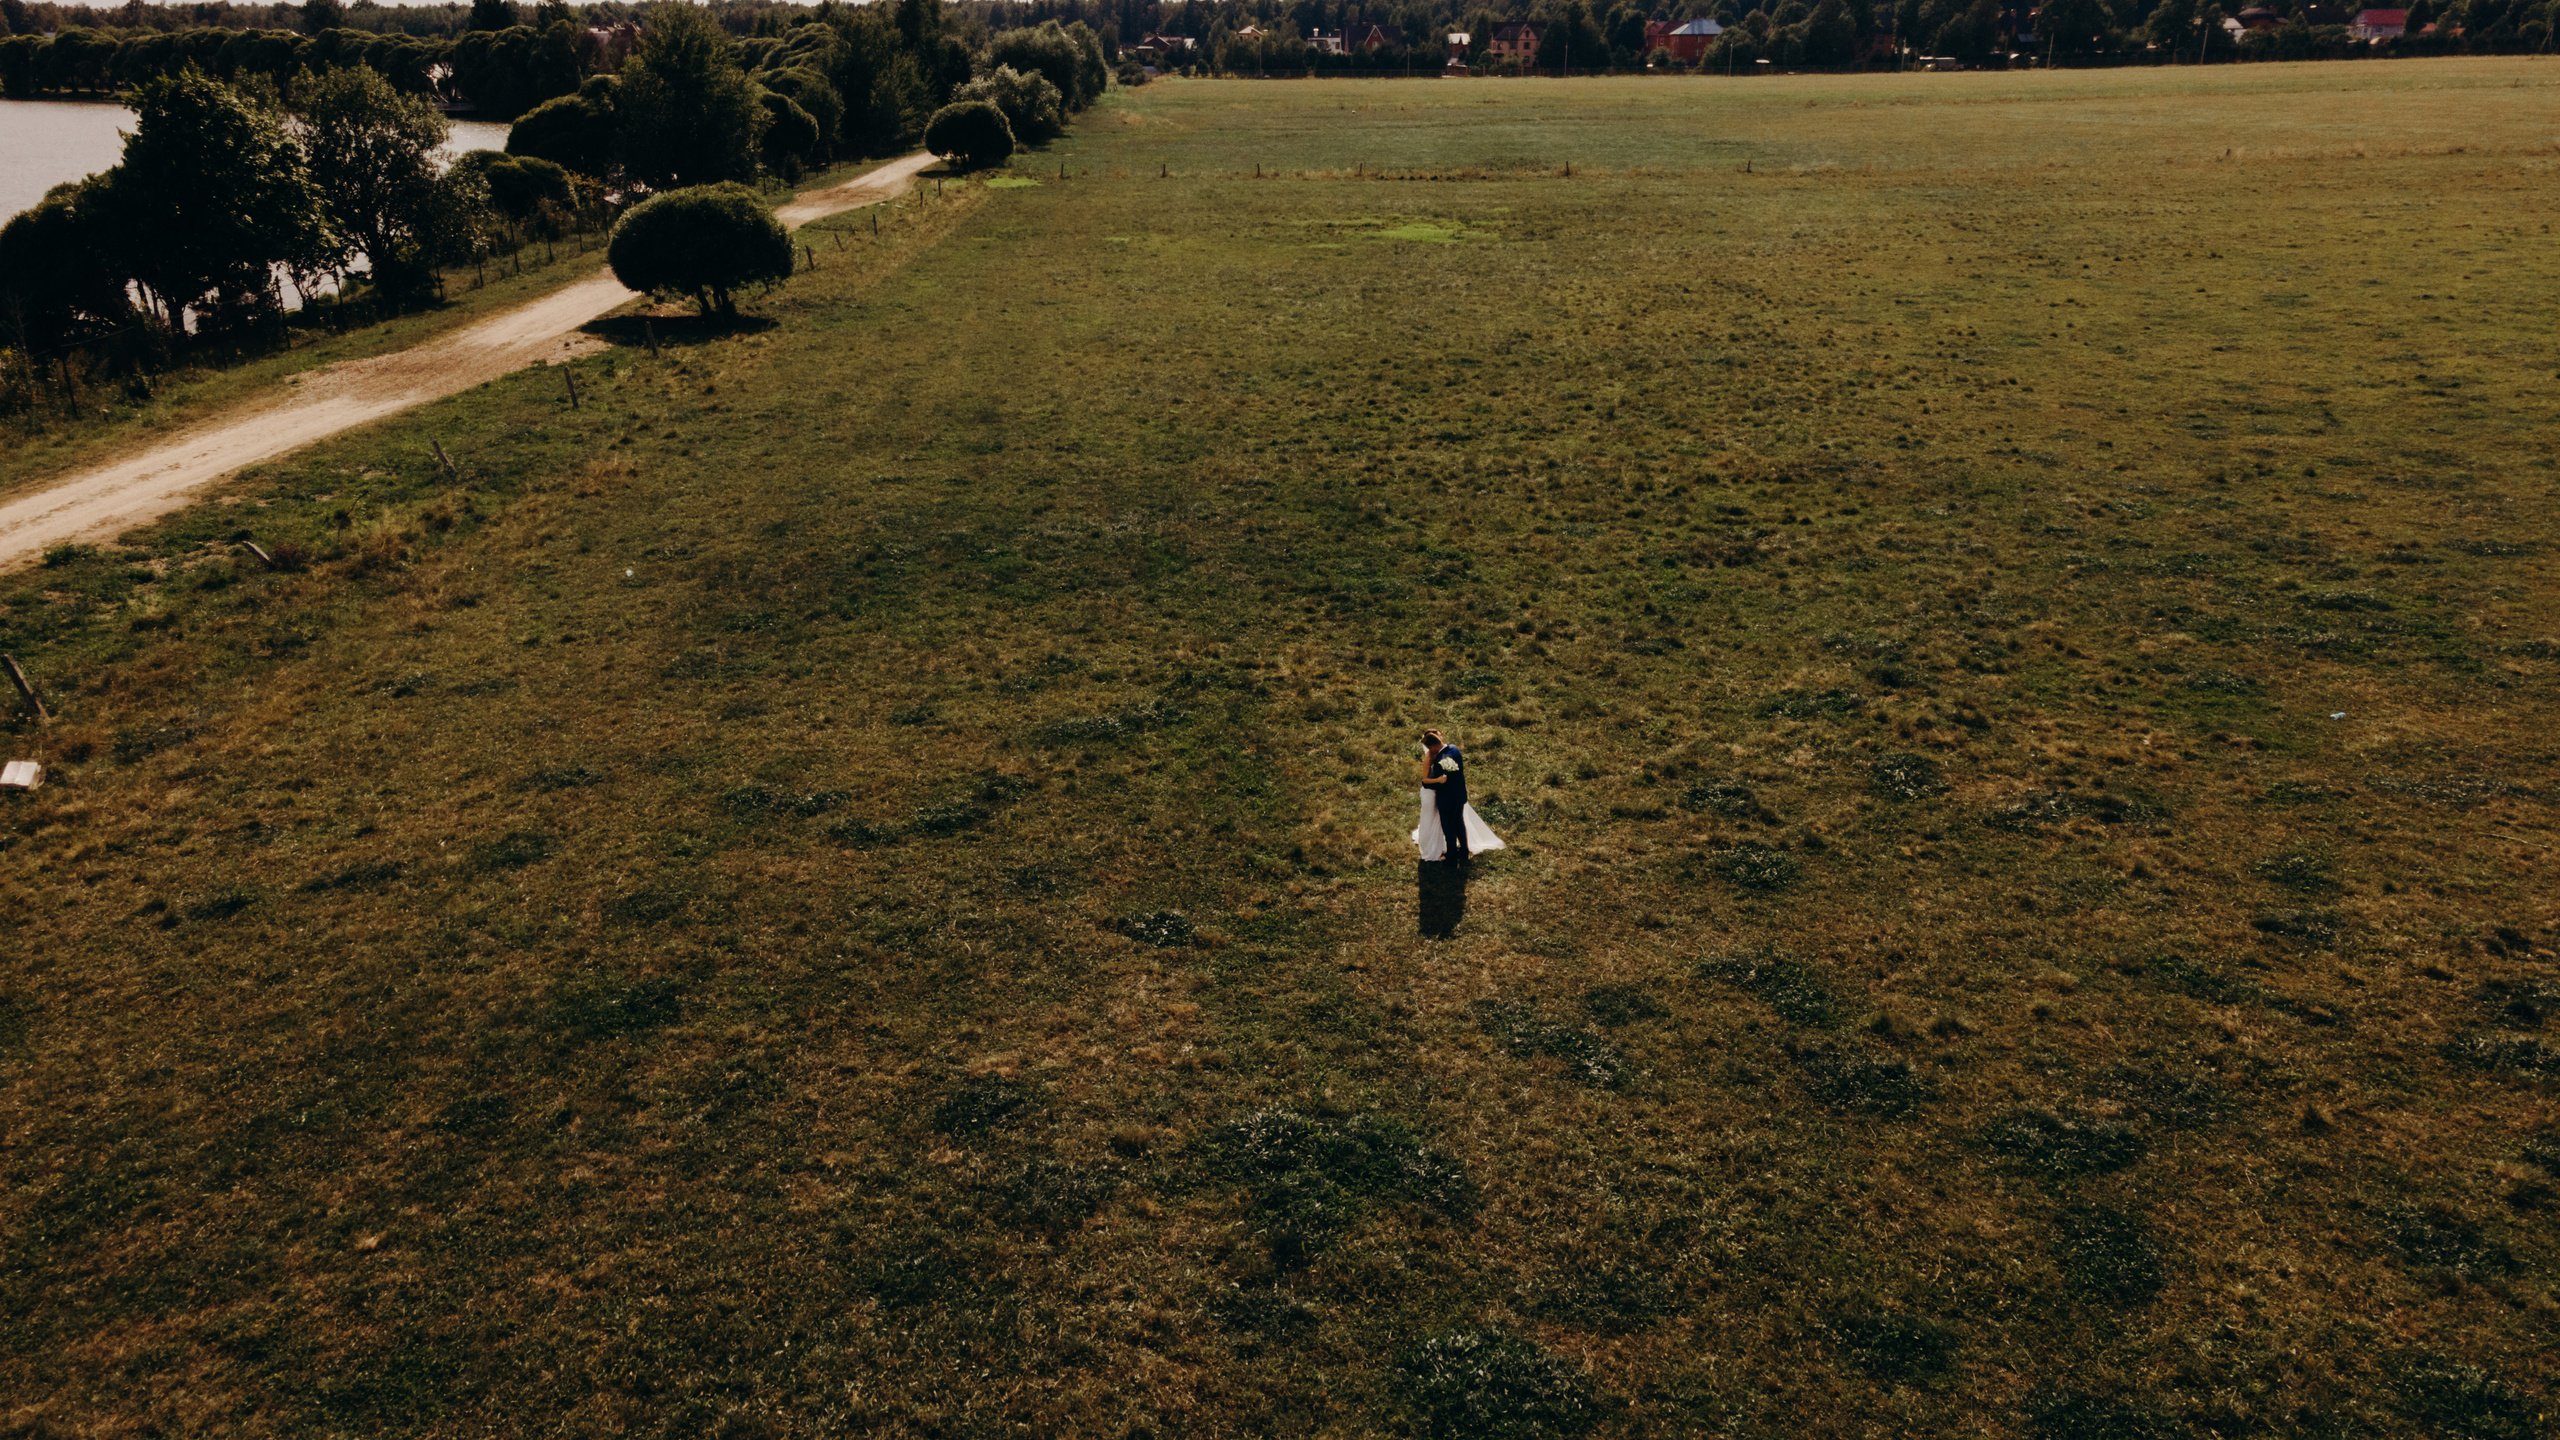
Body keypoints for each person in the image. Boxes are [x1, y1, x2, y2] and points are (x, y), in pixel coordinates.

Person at [1412, 728, 1506, 864]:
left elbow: (1435, 784)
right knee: (1460, 824)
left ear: (1432, 746)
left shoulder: (1440, 761)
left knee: (1448, 827)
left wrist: (1435, 782)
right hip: (1459, 795)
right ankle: (1464, 851)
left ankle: (1451, 856)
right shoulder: (1454, 750)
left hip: (1447, 800)